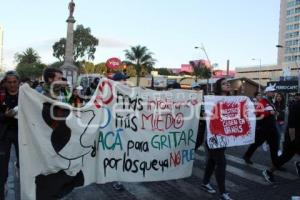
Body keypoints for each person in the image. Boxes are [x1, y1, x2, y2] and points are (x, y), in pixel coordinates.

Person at [201, 78, 234, 200]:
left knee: (211, 161)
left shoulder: (232, 100)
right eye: (224, 83)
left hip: (224, 136)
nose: (227, 85)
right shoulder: (211, 99)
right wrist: (206, 115)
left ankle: (205, 182)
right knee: (221, 163)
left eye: (228, 83)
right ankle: (223, 193)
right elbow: (205, 115)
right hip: (214, 138)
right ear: (219, 86)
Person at [262, 92, 300, 183]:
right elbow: (291, 125)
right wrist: (293, 140)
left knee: (286, 157)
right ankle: (268, 172)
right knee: (285, 157)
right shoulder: (295, 106)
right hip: (293, 136)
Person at [243, 85, 279, 166]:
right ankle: (246, 156)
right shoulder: (262, 102)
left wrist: (275, 113)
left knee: (275, 146)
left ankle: (276, 163)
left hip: (272, 128)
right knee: (256, 144)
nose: (274, 93)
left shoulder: (271, 102)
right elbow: (257, 112)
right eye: (272, 92)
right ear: (267, 93)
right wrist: (269, 113)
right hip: (263, 129)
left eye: (274, 92)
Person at [0, 71, 20, 200]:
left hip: (21, 134)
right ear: (5, 83)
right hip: (4, 134)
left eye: (14, 82)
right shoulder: (1, 96)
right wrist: (4, 116)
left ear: (18, 82)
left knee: (24, 163)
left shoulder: (25, 96)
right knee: (2, 164)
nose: (12, 85)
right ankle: (2, 187)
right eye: (10, 82)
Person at [111, 71, 129, 191]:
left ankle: (117, 178)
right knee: (118, 154)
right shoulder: (112, 93)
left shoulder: (125, 92)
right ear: (118, 81)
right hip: (115, 130)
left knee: (121, 154)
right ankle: (117, 179)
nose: (126, 82)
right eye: (124, 80)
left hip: (124, 129)